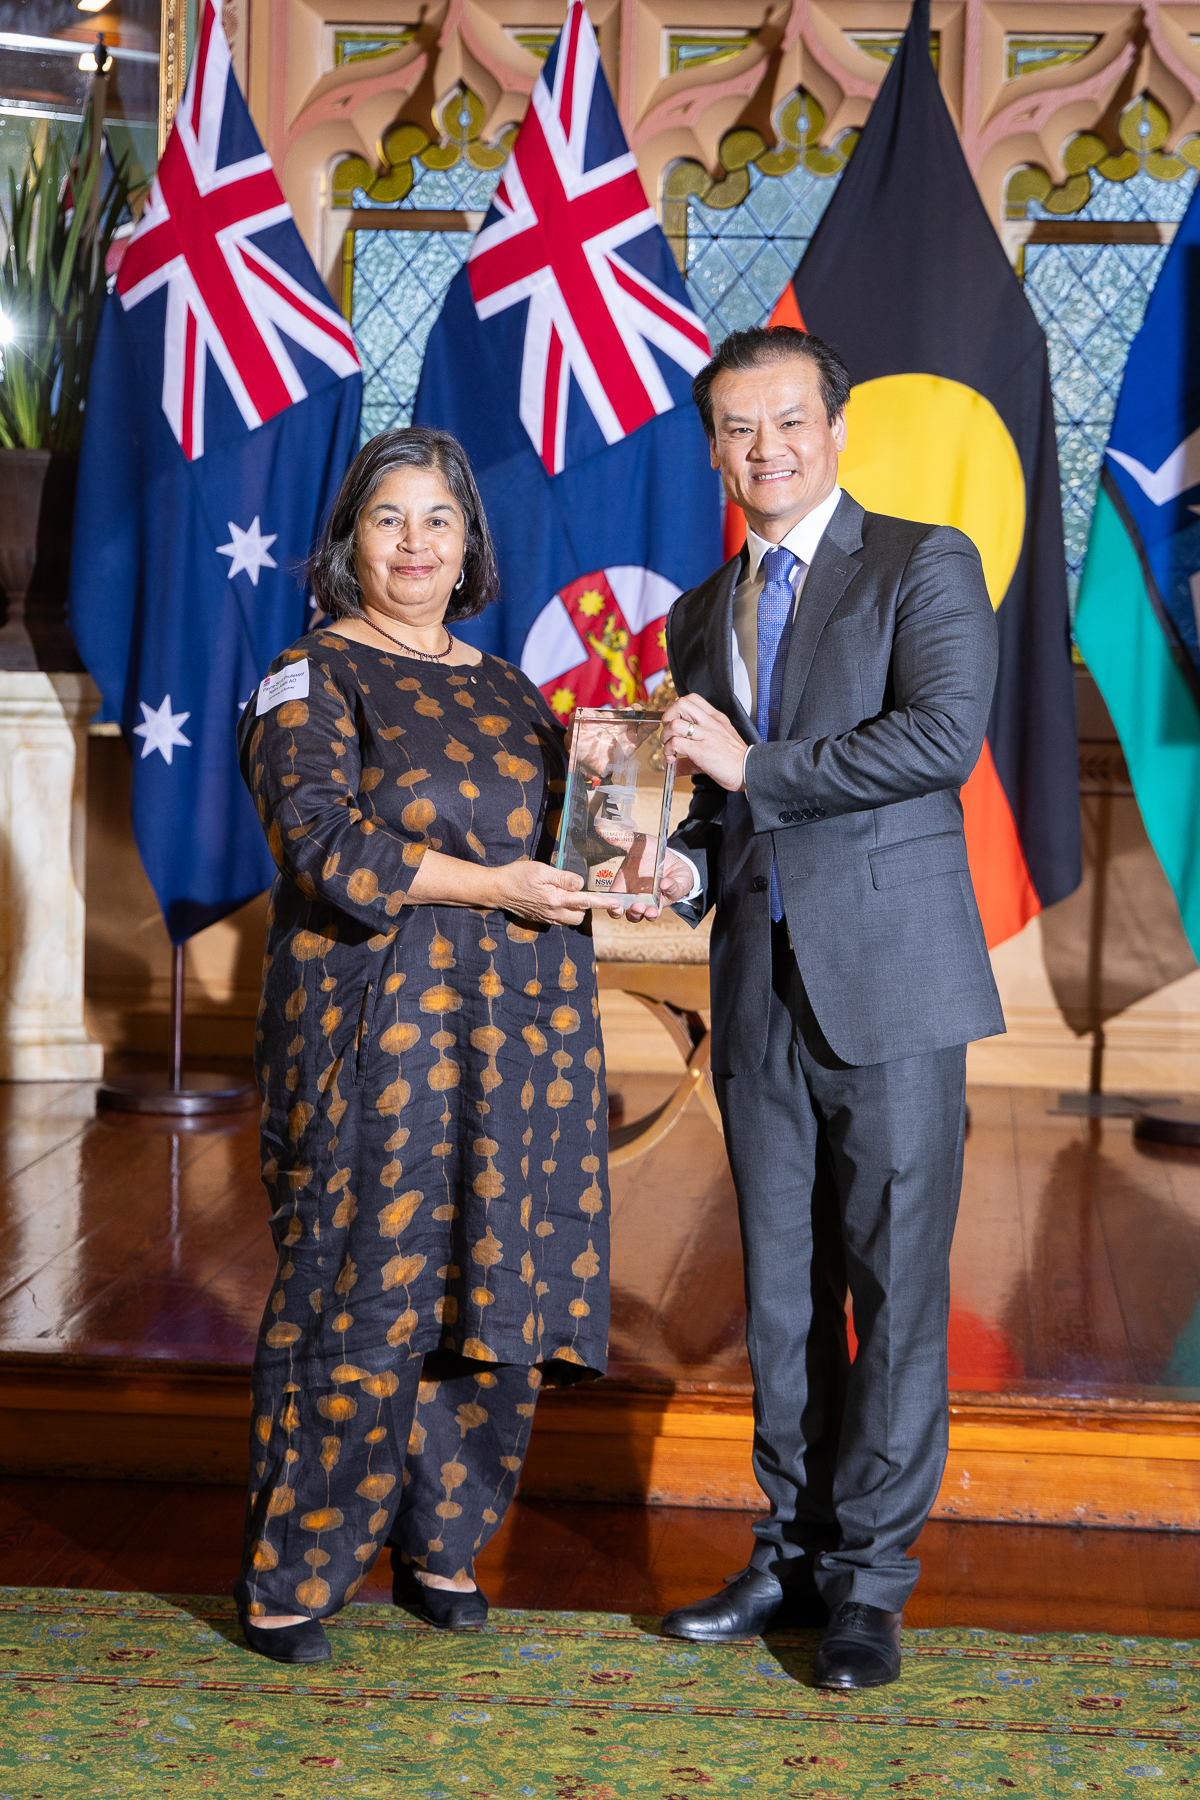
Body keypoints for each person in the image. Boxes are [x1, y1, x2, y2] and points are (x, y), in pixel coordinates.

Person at [629, 325, 1004, 1690]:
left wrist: (754, 761)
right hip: (760, 986)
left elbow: (937, 741)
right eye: (736, 429)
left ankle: (869, 1586)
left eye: (787, 423)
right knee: (780, 1296)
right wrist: (677, 861)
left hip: (894, 985)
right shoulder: (696, 610)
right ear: (713, 446)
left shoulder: (922, 563)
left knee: (893, 1290)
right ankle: (785, 1548)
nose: (764, 451)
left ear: (835, 430)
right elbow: (731, 812)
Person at [233, 427, 611, 1665]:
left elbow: (567, 853)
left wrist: (630, 844)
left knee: (497, 1279)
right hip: (373, 1036)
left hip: (525, 1034)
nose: (414, 544)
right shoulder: (310, 675)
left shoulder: (512, 691)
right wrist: (495, 885)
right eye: (388, 519)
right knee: (363, 1292)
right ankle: (296, 1574)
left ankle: (441, 1543)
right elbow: (324, 847)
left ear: (468, 548)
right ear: (349, 542)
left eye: (437, 521)